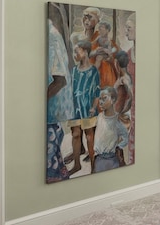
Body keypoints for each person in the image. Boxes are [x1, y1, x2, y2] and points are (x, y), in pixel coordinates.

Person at [67, 40, 100, 175]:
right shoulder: (73, 71)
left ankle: (93, 165)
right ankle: (76, 164)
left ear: (85, 52)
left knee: (89, 137)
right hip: (75, 109)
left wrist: (93, 107)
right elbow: (70, 90)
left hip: (88, 109)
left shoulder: (93, 71)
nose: (75, 55)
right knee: (75, 134)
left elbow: (97, 92)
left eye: (77, 52)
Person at [46, 19, 74, 182]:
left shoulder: (52, 37)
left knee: (50, 165)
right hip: (52, 116)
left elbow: (59, 80)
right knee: (53, 162)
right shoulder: (51, 34)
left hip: (51, 113)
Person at [93, 86, 129, 172]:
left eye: (104, 98)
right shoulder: (99, 117)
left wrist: (119, 147)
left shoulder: (116, 120)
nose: (100, 102)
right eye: (100, 99)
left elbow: (125, 136)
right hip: (98, 158)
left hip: (111, 159)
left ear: (113, 99)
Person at [90, 20, 118, 87]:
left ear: (107, 30)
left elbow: (112, 50)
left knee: (100, 58)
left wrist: (108, 52)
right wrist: (96, 50)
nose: (100, 29)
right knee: (98, 58)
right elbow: (92, 44)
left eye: (102, 28)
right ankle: (95, 72)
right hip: (99, 53)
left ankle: (95, 72)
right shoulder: (98, 38)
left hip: (106, 57)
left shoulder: (109, 40)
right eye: (99, 28)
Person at [124, 12, 136, 164]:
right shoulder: (128, 55)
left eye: (129, 28)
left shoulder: (149, 53)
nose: (126, 32)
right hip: (134, 102)